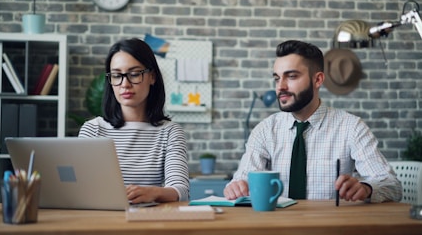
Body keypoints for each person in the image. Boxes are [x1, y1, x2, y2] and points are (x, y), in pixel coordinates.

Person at [224, 40, 402, 203]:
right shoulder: (264, 130)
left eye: (291, 76)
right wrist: (237, 186)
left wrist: (366, 188)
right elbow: (242, 178)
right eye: (277, 78)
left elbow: (392, 186)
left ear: (318, 80)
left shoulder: (352, 127)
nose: (280, 86)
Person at [79, 38, 189, 203]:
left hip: (150, 222)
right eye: (117, 75)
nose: (125, 84)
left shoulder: (170, 132)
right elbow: (81, 188)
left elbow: (180, 191)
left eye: (134, 74)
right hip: (102, 221)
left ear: (152, 77)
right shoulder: (93, 130)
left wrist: (153, 193)